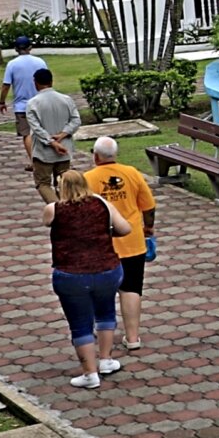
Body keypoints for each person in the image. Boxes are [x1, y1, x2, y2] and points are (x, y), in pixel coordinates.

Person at [44, 168, 128, 389]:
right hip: (107, 269)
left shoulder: (53, 209)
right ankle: (107, 359)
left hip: (71, 274)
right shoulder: (102, 204)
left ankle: (89, 373)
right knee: (106, 312)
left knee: (79, 324)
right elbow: (125, 228)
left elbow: (49, 224)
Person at [85, 138, 157, 352]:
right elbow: (149, 207)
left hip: (102, 244)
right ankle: (133, 337)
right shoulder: (132, 173)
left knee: (99, 290)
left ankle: (98, 332)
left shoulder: (87, 178)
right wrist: (148, 229)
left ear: (96, 156)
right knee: (132, 289)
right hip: (132, 241)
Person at [19, 66, 81, 203]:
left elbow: (36, 128)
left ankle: (57, 209)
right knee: (63, 183)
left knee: (43, 183)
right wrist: (63, 134)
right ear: (52, 81)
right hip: (64, 150)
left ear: (35, 83)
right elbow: (76, 120)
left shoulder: (33, 103)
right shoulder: (66, 99)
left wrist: (52, 142)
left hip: (43, 153)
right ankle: (67, 208)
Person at [0, 37, 48, 134]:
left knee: (26, 134)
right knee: (43, 131)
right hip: (41, 103)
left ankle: (30, 150)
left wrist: (2, 102)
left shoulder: (12, 64)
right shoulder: (40, 62)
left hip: (21, 106)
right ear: (30, 47)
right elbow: (48, 81)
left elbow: (6, 85)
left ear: (16, 49)